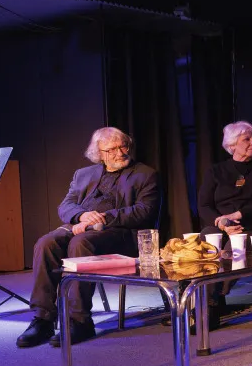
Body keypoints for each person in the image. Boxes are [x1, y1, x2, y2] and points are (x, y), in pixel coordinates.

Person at [16, 127, 160, 348]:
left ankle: (80, 320)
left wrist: (101, 219)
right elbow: (65, 206)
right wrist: (82, 216)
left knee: (81, 243)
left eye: (123, 146)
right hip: (80, 227)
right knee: (46, 243)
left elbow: (144, 211)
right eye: (111, 149)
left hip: (120, 233)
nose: (120, 152)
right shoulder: (83, 174)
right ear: (99, 153)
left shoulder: (145, 174)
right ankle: (43, 319)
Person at [198, 121, 252, 329]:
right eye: (247, 139)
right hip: (221, 225)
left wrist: (239, 214)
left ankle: (212, 303)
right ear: (232, 144)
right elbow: (204, 205)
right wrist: (222, 222)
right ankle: (211, 303)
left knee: (232, 248)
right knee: (205, 241)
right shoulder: (216, 171)